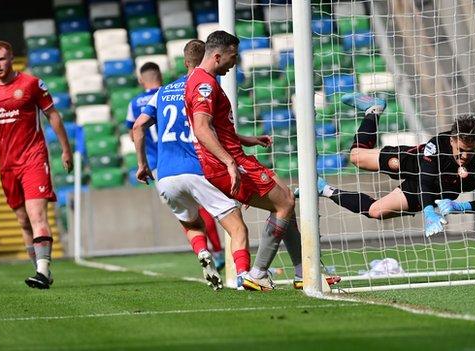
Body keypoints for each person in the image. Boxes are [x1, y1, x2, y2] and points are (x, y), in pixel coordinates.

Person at [185, 31, 340, 290]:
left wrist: (248, 139)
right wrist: (230, 163)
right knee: (285, 203)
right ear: (217, 55)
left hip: (233, 156)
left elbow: (217, 128)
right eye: (233, 57)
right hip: (228, 162)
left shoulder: (201, 79)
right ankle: (257, 273)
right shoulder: (205, 84)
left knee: (285, 199)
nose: (235, 63)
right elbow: (201, 128)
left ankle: (303, 272)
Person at [133, 39, 260, 291]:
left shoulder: (162, 92)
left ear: (184, 62)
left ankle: (202, 252)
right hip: (198, 167)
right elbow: (210, 130)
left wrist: (142, 164)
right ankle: (244, 275)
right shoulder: (202, 87)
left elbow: (137, 127)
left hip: (165, 175)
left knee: (191, 222)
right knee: (237, 227)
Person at [307, 93, 475, 237]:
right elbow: (425, 180)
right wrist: (428, 213)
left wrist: (460, 206)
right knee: (357, 157)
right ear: (452, 141)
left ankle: (324, 188)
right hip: (415, 163)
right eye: (461, 150)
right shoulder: (437, 144)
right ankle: (373, 109)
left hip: (435, 191)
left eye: (470, 150)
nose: (465, 156)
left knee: (376, 211)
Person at [0, 41, 73, 289]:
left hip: (33, 158)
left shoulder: (31, 84)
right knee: (23, 221)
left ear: (11, 58)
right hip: (7, 164)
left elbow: (53, 115)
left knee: (36, 215)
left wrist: (65, 149)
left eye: (2, 59)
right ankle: (40, 270)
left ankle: (42, 271)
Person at [126, 61, 226, 272]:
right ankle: (217, 251)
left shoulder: (135, 103)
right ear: (159, 76)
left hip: (160, 165)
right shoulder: (178, 89)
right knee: (204, 206)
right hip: (191, 155)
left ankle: (203, 250)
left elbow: (135, 131)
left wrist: (141, 162)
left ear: (141, 80)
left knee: (187, 213)